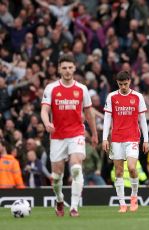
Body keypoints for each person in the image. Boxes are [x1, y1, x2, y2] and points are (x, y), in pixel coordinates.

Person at [41, 54, 98, 217]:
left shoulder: (82, 89)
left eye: (70, 67)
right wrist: (47, 123)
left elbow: (89, 113)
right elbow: (44, 110)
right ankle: (59, 200)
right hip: (57, 136)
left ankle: (74, 207)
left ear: (74, 68)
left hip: (76, 134)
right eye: (64, 68)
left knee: (75, 167)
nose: (67, 71)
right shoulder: (51, 88)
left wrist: (94, 133)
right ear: (59, 69)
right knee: (56, 176)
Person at [102, 70, 149, 213]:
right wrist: (105, 138)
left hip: (133, 137)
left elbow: (143, 119)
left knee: (132, 168)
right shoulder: (111, 97)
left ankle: (134, 197)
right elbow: (107, 119)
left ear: (130, 81)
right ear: (117, 83)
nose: (123, 86)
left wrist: (146, 140)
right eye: (121, 84)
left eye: (126, 83)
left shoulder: (138, 97)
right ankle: (122, 203)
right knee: (119, 171)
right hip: (116, 138)